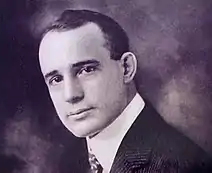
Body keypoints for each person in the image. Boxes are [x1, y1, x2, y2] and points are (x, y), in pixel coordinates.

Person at [38, 9, 212, 173]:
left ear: (127, 68)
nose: (71, 95)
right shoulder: (75, 158)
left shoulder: (175, 166)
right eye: (56, 80)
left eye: (86, 70)